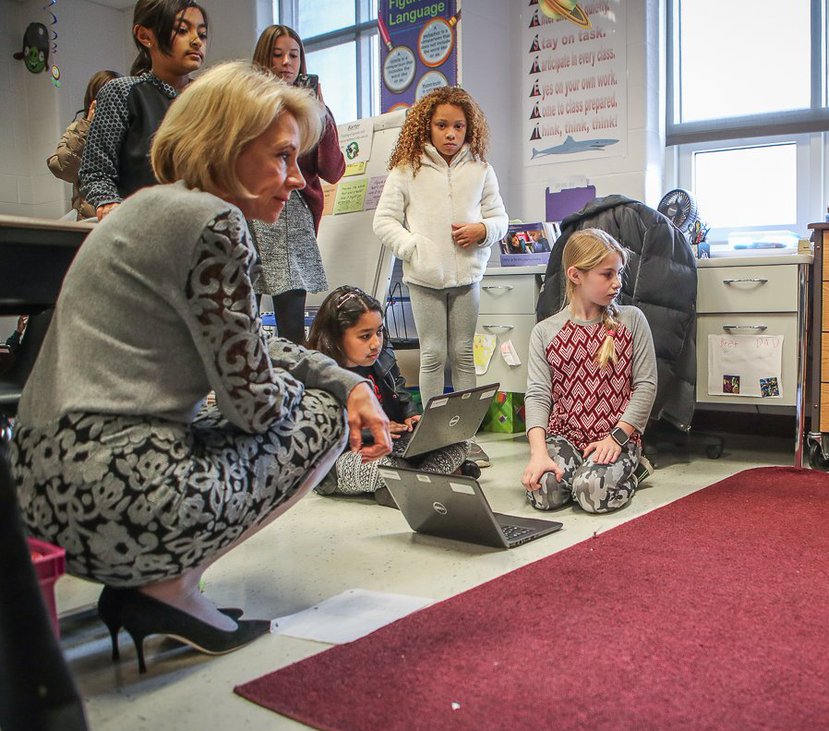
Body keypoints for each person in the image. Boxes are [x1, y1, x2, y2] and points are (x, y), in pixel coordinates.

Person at [7, 61, 391, 674]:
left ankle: (155, 584)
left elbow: (253, 347)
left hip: (39, 488)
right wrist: (336, 394)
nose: (296, 179)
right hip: (115, 489)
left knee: (311, 397)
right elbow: (257, 404)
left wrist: (345, 377)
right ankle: (167, 590)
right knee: (317, 419)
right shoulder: (214, 222)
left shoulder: (149, 208)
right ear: (225, 146)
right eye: (282, 157)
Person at [373, 86, 508, 467]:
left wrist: (483, 231)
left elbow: (500, 218)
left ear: (470, 130)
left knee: (463, 354)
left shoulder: (481, 169)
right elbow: (383, 221)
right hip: (424, 278)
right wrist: (413, 247)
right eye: (442, 125)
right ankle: (434, 438)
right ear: (427, 127)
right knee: (433, 355)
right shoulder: (406, 169)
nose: (451, 134)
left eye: (459, 127)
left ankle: (464, 438)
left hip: (468, 276)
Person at [522, 229, 657, 514]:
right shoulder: (545, 332)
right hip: (564, 436)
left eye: (619, 273)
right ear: (575, 275)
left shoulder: (631, 321)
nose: (617, 283)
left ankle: (635, 472)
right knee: (544, 493)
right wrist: (539, 454)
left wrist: (618, 437)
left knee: (591, 493)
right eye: (607, 274)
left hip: (616, 436)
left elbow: (645, 386)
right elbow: (537, 395)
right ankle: (580, 472)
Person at [306, 285, 478, 507]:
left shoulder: (382, 357)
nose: (376, 343)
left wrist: (412, 415)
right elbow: (325, 434)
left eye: (379, 332)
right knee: (387, 467)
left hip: (394, 445)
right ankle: (433, 478)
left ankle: (409, 487)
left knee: (461, 443)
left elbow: (400, 390)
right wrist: (374, 431)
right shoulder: (321, 375)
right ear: (336, 338)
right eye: (365, 336)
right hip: (343, 459)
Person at [248, 25, 346, 344]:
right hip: (250, 211)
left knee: (291, 327)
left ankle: (293, 392)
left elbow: (332, 170)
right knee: (240, 316)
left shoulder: (311, 111)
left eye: (294, 55)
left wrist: (321, 114)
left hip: (293, 217)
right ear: (263, 60)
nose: (286, 63)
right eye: (277, 55)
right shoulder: (245, 105)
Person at [79, 0, 208, 222]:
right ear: (145, 36)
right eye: (182, 30)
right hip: (142, 230)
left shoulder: (212, 101)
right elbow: (95, 171)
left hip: (203, 230)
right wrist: (111, 206)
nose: (196, 41)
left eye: (202, 34)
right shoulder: (122, 93)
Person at [46, 69, 121, 220]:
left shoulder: (131, 130)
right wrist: (87, 126)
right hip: (90, 220)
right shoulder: (79, 129)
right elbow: (62, 168)